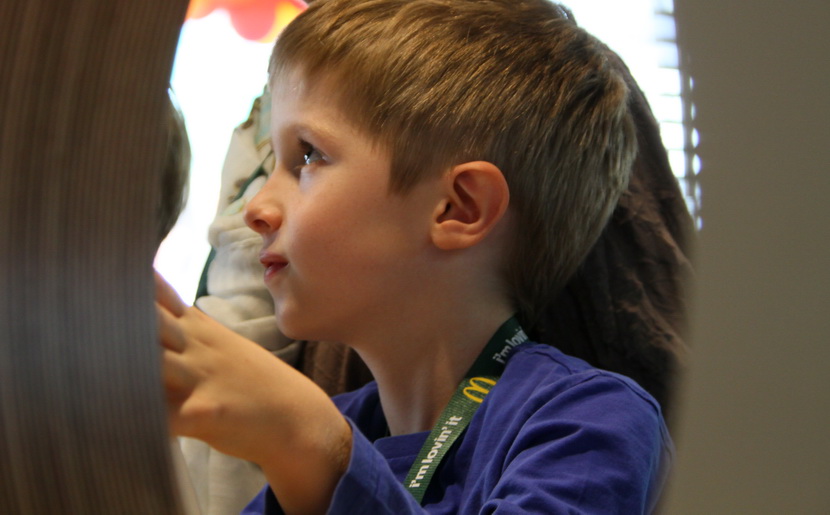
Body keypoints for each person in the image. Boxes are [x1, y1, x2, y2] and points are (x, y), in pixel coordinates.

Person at [157, 0, 673, 513]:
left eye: (309, 156)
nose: (255, 210)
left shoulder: (591, 423)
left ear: (458, 208)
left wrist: (309, 441)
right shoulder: (338, 427)